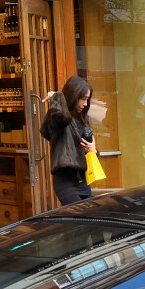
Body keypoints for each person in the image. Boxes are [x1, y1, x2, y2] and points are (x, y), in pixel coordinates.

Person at [40, 75, 96, 206]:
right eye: (83, 99)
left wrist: (93, 150)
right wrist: (57, 98)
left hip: (82, 180)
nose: (85, 104)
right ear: (73, 95)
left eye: (87, 99)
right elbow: (63, 117)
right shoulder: (57, 119)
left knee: (90, 217)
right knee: (79, 217)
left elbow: (87, 151)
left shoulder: (82, 119)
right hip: (65, 181)